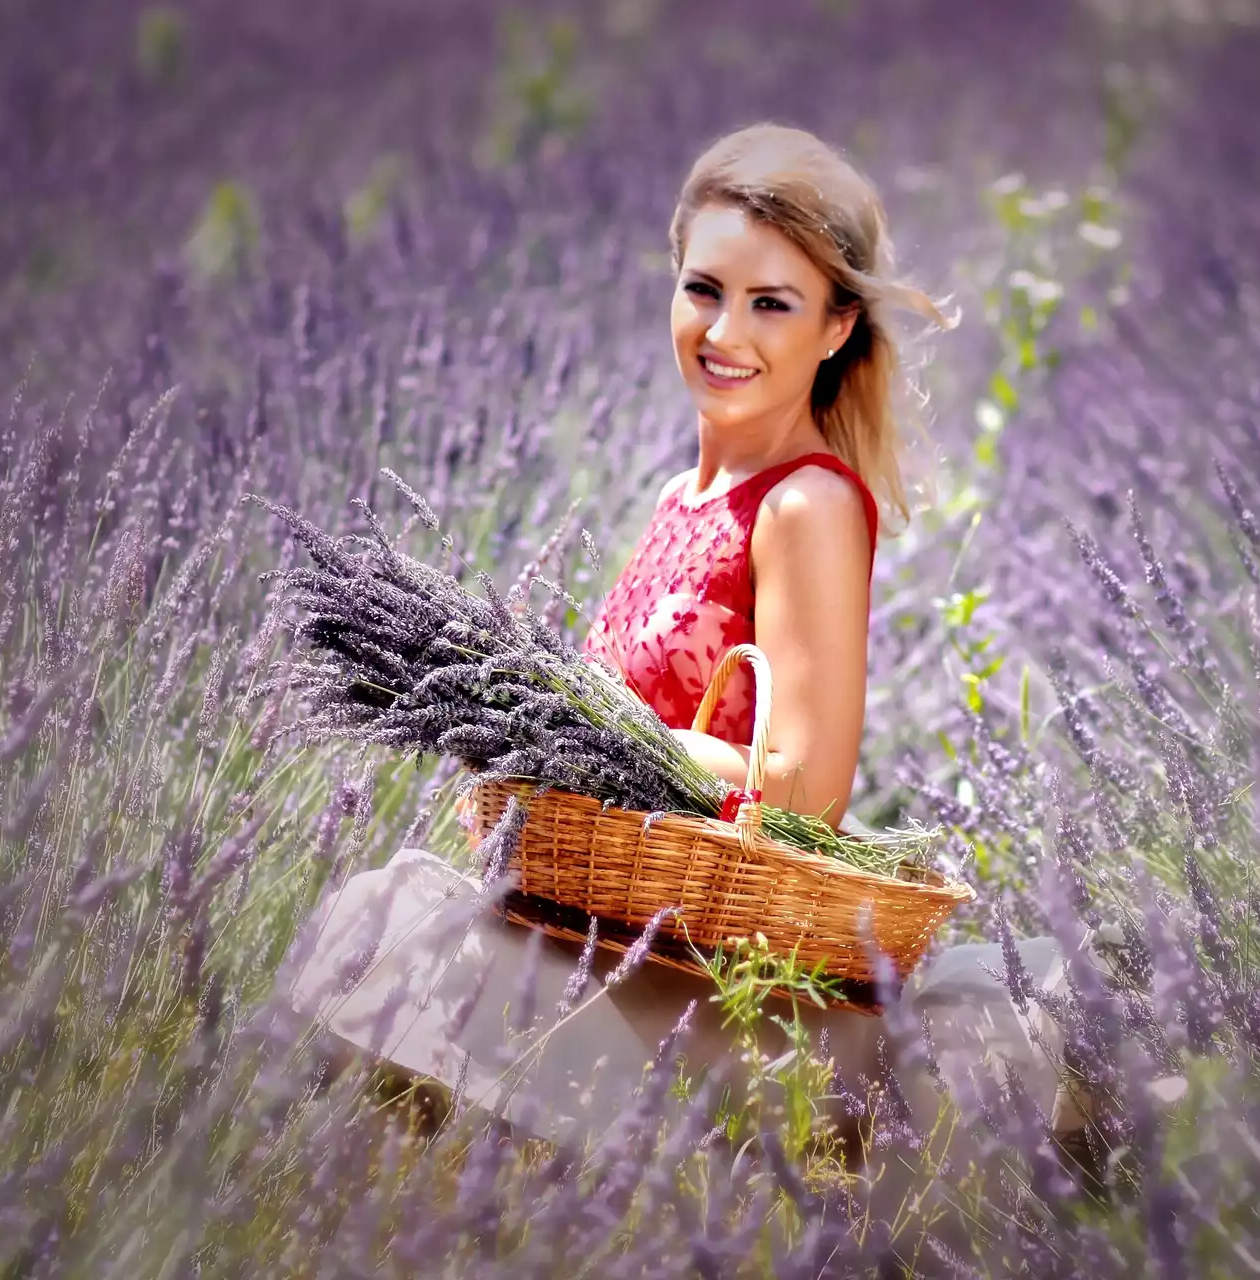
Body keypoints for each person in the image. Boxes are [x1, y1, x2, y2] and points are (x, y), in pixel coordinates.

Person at [275, 123, 1095, 1226]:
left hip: (710, 966)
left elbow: (807, 787)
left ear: (836, 325)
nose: (724, 331)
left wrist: (616, 742)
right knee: (386, 965)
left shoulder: (808, 504)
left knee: (421, 972)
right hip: (619, 915)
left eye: (773, 303)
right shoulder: (679, 498)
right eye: (703, 288)